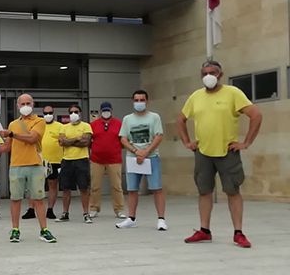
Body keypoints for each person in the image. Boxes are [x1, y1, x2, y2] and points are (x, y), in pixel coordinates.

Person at [178, 61, 262, 248]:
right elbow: (181, 119)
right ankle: (204, 230)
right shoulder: (195, 96)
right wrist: (187, 142)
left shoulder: (233, 93)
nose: (208, 76)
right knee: (204, 191)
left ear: (220, 74)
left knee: (233, 191)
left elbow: (256, 115)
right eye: (205, 73)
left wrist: (246, 143)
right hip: (203, 152)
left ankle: (238, 233)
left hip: (227, 152)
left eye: (212, 72)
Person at [0, 94, 56, 243]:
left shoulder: (40, 121)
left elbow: (32, 138)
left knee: (38, 199)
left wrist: (11, 134)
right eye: (22, 103)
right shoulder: (13, 124)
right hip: (16, 165)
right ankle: (15, 230)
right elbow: (8, 146)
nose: (25, 106)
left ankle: (44, 230)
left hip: (35, 165)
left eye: (28, 103)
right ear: (17, 106)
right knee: (15, 199)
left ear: (33, 104)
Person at [116, 90, 167, 231]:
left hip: (151, 158)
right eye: (136, 100)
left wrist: (146, 152)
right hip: (133, 158)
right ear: (133, 101)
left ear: (147, 101)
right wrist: (136, 151)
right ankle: (131, 218)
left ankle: (161, 219)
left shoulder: (154, 117)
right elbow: (123, 138)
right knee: (132, 189)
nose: (139, 103)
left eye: (142, 100)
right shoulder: (127, 119)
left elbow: (159, 136)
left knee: (157, 189)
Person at [23, 106, 62, 220]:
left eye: (50, 113)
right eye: (45, 113)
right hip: (37, 160)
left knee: (52, 185)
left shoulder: (60, 126)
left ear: (53, 113)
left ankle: (50, 210)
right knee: (33, 185)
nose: (47, 115)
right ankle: (31, 209)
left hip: (54, 160)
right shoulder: (38, 124)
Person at [56, 104, 93, 224]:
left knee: (84, 188)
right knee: (66, 188)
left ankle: (86, 213)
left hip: (82, 160)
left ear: (80, 113)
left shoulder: (86, 126)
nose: (73, 114)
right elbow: (61, 142)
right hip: (67, 160)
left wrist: (69, 141)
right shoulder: (64, 127)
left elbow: (86, 142)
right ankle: (65, 213)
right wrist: (76, 139)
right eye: (71, 112)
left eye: (76, 112)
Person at [89, 102, 126, 219]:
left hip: (114, 160)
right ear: (100, 111)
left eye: (108, 110)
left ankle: (119, 209)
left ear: (111, 111)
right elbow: (89, 141)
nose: (106, 112)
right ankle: (94, 208)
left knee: (117, 186)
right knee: (95, 186)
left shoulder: (119, 124)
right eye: (104, 110)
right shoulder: (93, 125)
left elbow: (123, 140)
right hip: (96, 160)